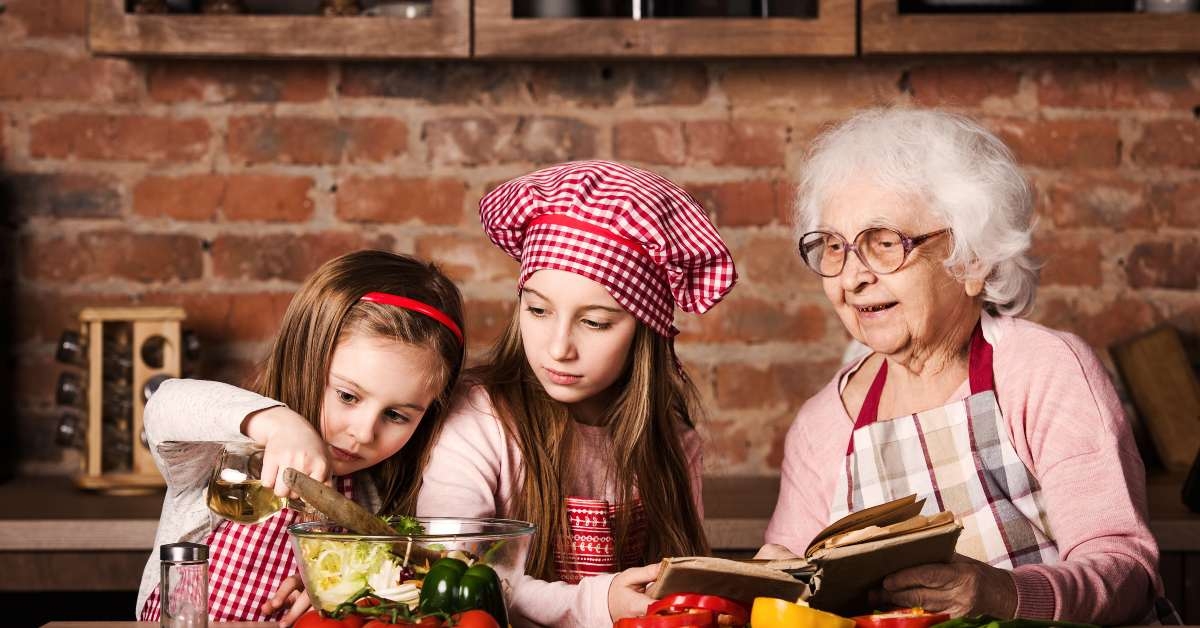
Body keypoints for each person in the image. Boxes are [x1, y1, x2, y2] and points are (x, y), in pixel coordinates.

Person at [757, 108, 1170, 625]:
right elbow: (788, 588)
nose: (852, 277)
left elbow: (1127, 570)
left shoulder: (1042, 373)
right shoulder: (822, 427)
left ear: (972, 261)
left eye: (883, 244)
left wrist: (1004, 594)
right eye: (835, 247)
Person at [417, 160, 737, 627]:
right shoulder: (480, 420)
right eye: (539, 309)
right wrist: (596, 603)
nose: (558, 347)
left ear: (644, 331)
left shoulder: (671, 439)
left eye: (594, 322)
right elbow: (450, 570)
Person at [135, 250, 466, 625]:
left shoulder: (378, 495)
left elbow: (399, 580)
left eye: (395, 415)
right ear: (302, 358)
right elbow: (165, 403)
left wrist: (347, 587)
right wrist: (278, 424)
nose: (363, 432)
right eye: (347, 396)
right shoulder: (224, 449)